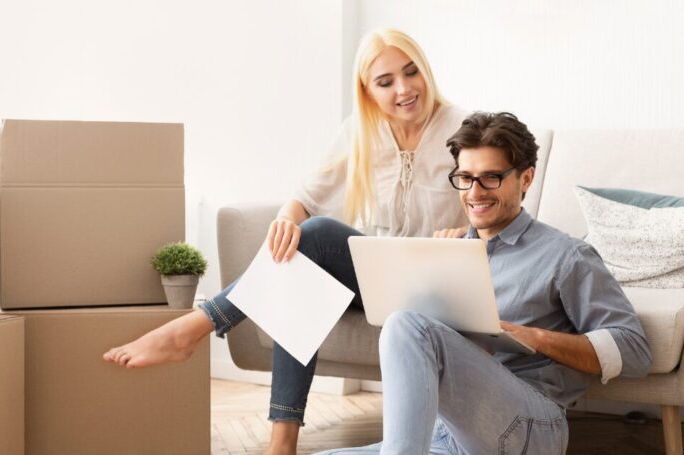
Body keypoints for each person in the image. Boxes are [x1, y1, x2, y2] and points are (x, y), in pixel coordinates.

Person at [103, 28, 469, 455]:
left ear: (425, 70)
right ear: (367, 91)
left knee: (317, 235)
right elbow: (304, 200)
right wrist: (284, 220)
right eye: (385, 82)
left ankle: (197, 326)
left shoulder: (463, 129)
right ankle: (282, 444)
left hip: (429, 285)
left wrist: (465, 233)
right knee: (300, 267)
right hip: (376, 280)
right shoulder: (361, 132)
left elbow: (496, 213)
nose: (404, 89)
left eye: (411, 73)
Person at [318, 112, 652, 455]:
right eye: (465, 177)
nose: (475, 192)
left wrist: (534, 337)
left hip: (530, 425)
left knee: (405, 324)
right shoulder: (448, 250)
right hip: (443, 434)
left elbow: (634, 351)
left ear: (526, 179)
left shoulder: (567, 256)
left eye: (490, 178)